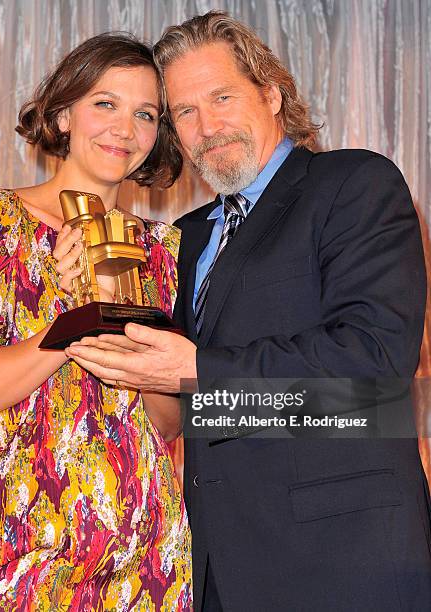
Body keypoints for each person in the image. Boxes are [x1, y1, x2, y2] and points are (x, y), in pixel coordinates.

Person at [53, 11, 431, 611]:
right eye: (184, 111)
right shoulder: (185, 237)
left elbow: (374, 376)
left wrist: (204, 373)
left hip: (343, 561)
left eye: (222, 96)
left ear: (272, 93)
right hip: (214, 569)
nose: (209, 125)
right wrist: (76, 295)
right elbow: (163, 404)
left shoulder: (353, 182)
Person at [0, 34, 191, 610]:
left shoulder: (164, 250)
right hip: (18, 554)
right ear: (63, 114)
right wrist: (74, 320)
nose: (124, 128)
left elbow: (167, 425)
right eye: (105, 103)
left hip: (144, 557)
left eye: (144, 113)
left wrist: (137, 350)